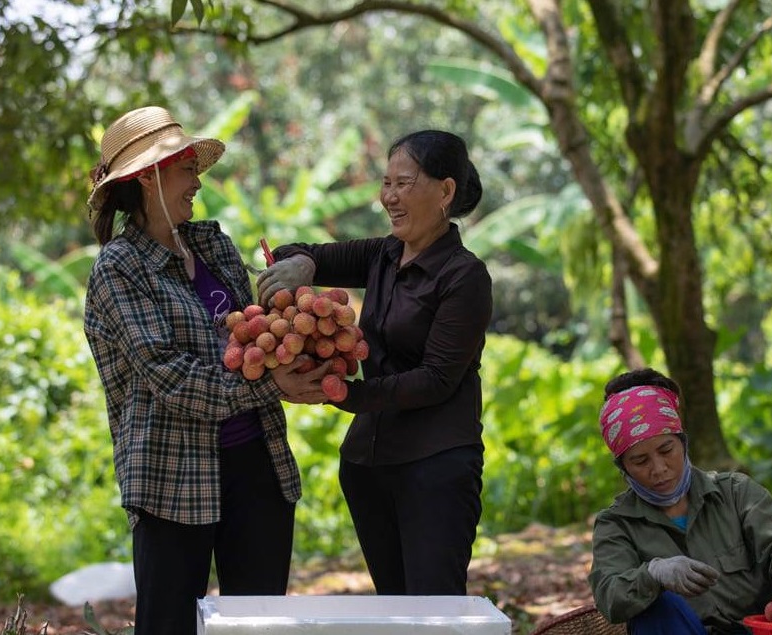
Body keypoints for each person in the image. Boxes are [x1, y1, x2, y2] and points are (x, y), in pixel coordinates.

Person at [83, 106, 330, 635]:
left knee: (257, 623)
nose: (198, 181)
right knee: (169, 624)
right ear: (150, 178)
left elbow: (254, 339)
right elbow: (169, 375)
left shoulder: (212, 243)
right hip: (173, 478)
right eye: (187, 169)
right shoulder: (118, 268)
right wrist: (270, 383)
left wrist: (300, 340)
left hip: (257, 468)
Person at [255, 129, 493, 595]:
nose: (389, 197)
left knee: (435, 615)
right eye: (386, 183)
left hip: (436, 467)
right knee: (395, 611)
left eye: (403, 184)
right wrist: (301, 265)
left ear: (445, 191)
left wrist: (341, 393)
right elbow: (302, 255)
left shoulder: (464, 276)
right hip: (367, 465)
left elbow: (436, 380)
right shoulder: (382, 255)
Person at [588, 368, 772, 635]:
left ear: (683, 443)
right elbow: (609, 597)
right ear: (623, 468)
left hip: (754, 630)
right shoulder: (616, 525)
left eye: (666, 450)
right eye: (640, 461)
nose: (659, 469)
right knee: (658, 608)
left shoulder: (736, 493)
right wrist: (653, 575)